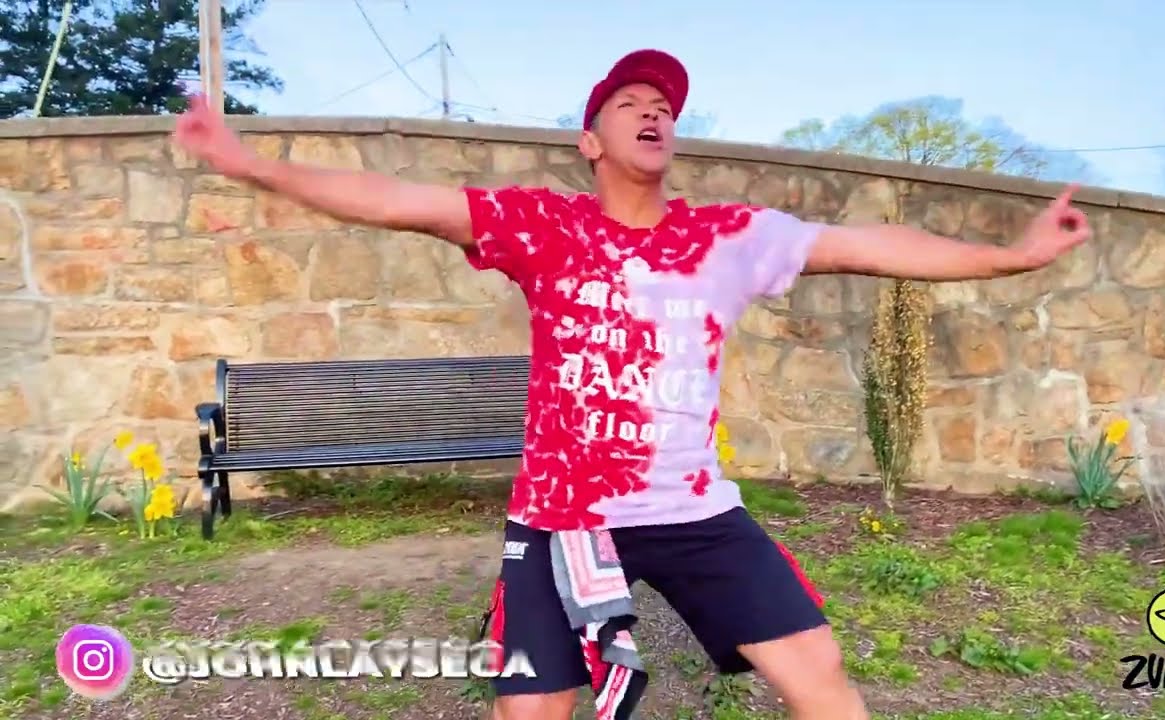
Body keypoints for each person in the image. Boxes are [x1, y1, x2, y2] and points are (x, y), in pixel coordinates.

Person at [173, 48, 1090, 720]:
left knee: (820, 676)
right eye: (630, 103)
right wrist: (250, 164)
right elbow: (396, 200)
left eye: (664, 106)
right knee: (531, 708)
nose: (654, 113)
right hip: (563, 516)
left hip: (695, 514)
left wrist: (1008, 257)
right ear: (591, 139)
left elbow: (868, 244)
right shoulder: (543, 226)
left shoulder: (727, 237)